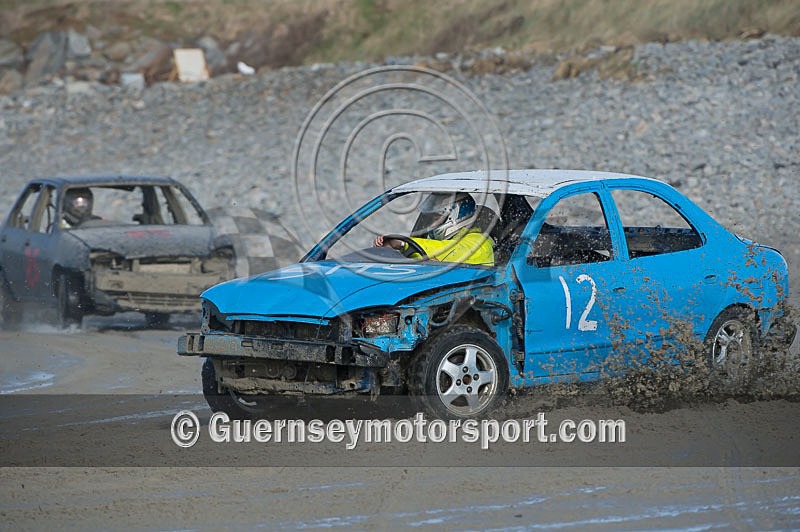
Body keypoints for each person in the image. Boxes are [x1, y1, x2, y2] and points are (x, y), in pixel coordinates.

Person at [373, 192, 499, 265]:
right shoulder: (438, 241)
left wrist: (403, 244)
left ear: (456, 215)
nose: (431, 224)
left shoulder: (479, 241)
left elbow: (449, 250)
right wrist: (390, 251)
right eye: (429, 218)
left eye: (436, 217)